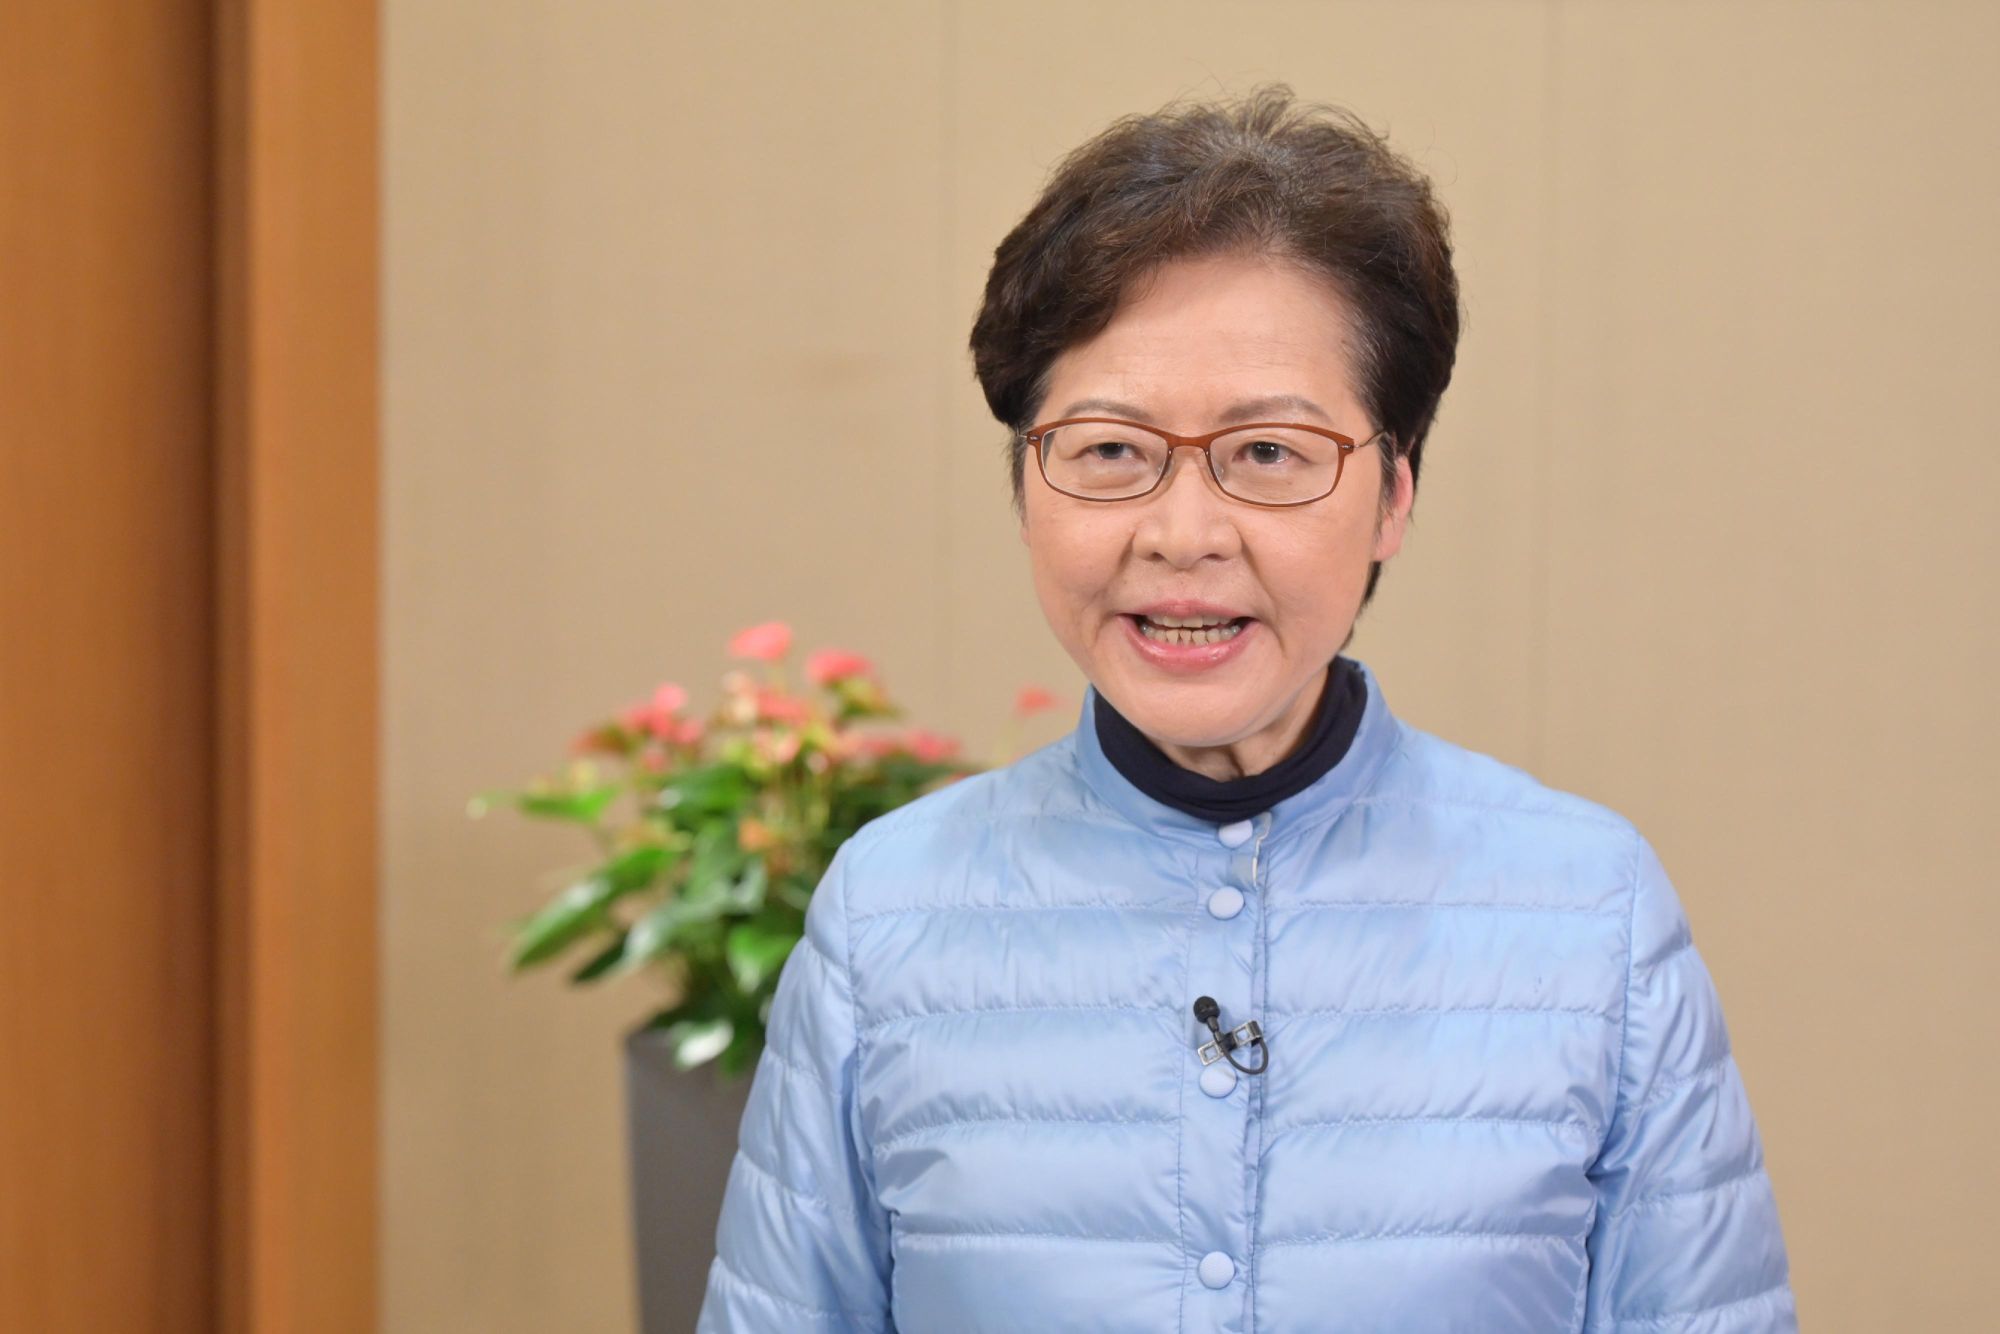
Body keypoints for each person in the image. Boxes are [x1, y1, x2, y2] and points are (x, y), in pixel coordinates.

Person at [695, 84, 1794, 1332]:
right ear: (1023, 484)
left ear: (1391, 492)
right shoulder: (888, 915)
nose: (1179, 534)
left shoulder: (1590, 916)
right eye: (1108, 449)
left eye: (1266, 452)